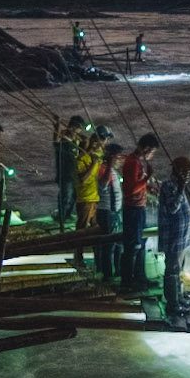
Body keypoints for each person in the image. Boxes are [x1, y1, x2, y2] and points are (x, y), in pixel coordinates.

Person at [157, 154, 190, 324]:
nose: (188, 176)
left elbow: (181, 208)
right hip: (173, 237)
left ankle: (179, 297)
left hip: (182, 237)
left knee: (179, 270)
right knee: (172, 271)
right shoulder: (169, 186)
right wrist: (181, 187)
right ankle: (173, 304)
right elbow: (172, 208)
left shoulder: (177, 186)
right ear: (179, 172)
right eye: (186, 173)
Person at [119, 131, 160, 289]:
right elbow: (130, 189)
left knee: (141, 243)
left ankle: (140, 277)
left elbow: (137, 184)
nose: (152, 155)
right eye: (152, 152)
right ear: (146, 148)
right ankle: (128, 281)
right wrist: (147, 178)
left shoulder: (138, 161)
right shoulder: (132, 162)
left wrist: (148, 188)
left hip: (139, 208)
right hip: (133, 209)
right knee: (133, 245)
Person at [73, 127, 103, 269]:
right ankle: (78, 257)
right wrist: (94, 164)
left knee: (95, 229)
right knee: (82, 230)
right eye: (94, 143)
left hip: (94, 199)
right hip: (85, 200)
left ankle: (97, 258)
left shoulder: (93, 157)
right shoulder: (81, 160)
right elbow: (83, 179)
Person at [96, 143, 124, 280]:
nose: (120, 160)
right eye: (118, 157)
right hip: (106, 212)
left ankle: (117, 270)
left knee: (117, 244)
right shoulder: (103, 169)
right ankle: (107, 275)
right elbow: (102, 185)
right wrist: (109, 166)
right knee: (108, 245)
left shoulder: (114, 171)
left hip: (115, 212)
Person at [55, 116, 86, 227]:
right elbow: (55, 142)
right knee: (66, 197)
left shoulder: (75, 141)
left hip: (74, 175)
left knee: (74, 197)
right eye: (79, 129)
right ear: (73, 128)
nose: (80, 132)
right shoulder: (63, 142)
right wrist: (57, 126)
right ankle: (61, 218)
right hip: (65, 175)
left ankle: (67, 215)